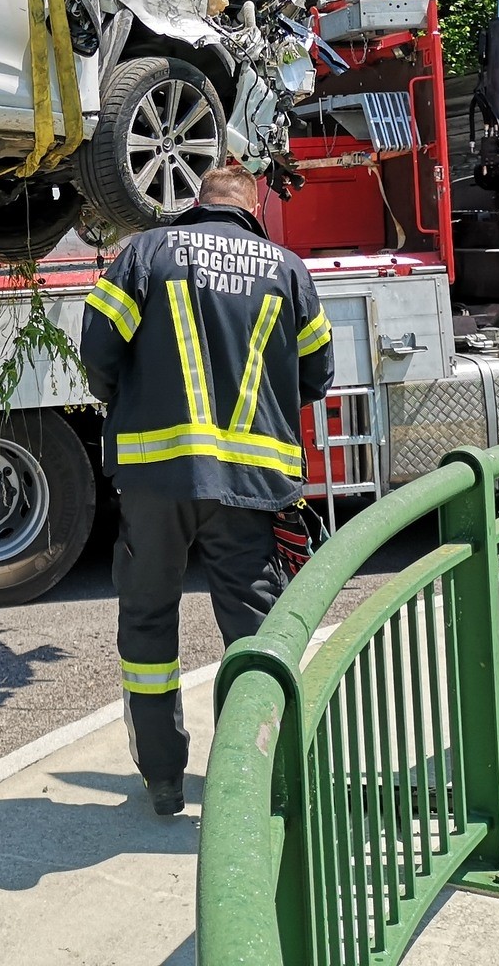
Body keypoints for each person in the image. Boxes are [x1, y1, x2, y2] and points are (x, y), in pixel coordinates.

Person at [79, 165, 334, 817]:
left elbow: (99, 344)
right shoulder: (287, 269)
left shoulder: (147, 252)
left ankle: (163, 780)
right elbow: (318, 374)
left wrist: (120, 396)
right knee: (252, 633)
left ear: (197, 205)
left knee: (147, 625)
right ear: (252, 209)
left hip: (155, 477)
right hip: (249, 487)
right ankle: (246, 780)